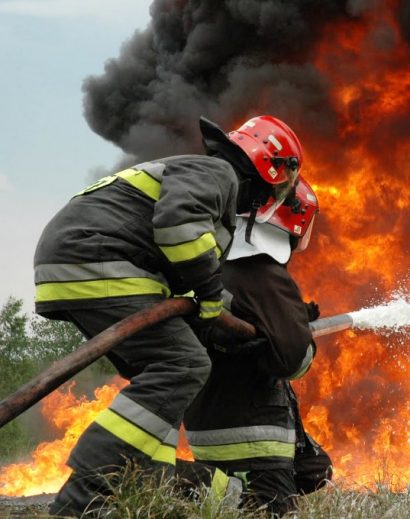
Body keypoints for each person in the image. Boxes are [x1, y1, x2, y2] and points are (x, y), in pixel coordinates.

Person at [34, 114, 304, 517]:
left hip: (80, 262)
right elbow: (179, 230)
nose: (275, 196)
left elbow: (182, 276)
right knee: (183, 364)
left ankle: (140, 485)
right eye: (282, 184)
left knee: (160, 381)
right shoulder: (218, 173)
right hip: (99, 257)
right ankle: (84, 494)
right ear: (268, 167)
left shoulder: (204, 179)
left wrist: (223, 319)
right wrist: (213, 300)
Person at [180, 177, 332, 515]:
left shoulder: (215, 266)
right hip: (252, 433)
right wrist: (298, 335)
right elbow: (294, 360)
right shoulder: (263, 271)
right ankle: (215, 490)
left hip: (208, 425)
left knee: (315, 470)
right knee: (270, 510)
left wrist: (289, 320)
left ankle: (221, 491)